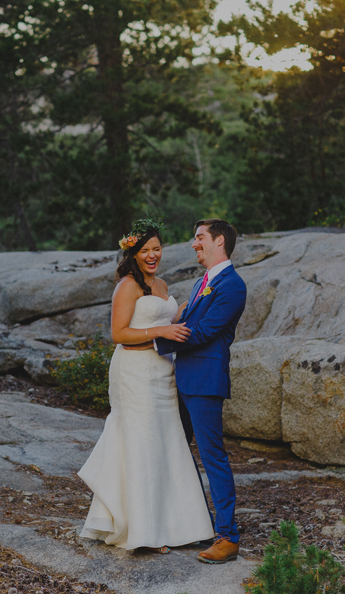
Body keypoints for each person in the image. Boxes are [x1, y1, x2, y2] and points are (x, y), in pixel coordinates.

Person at [78, 218, 215, 553]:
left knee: (165, 443)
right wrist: (162, 331)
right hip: (135, 373)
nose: (152, 255)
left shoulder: (163, 284)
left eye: (157, 249)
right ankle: (142, 531)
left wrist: (181, 315)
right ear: (133, 252)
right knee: (142, 443)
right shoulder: (127, 285)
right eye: (145, 250)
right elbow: (119, 334)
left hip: (163, 373)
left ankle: (175, 525)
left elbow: (163, 323)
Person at [154, 218, 246, 564]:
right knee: (173, 450)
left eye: (199, 238)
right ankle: (190, 524)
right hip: (184, 379)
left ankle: (228, 537)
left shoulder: (233, 285)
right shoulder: (200, 282)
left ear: (219, 241)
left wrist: (150, 339)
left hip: (206, 383)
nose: (194, 244)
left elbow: (204, 331)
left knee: (213, 458)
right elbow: (186, 322)